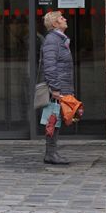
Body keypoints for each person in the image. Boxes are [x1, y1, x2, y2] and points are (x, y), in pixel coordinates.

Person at [39, 9, 74, 166]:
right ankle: (50, 153)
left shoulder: (60, 40)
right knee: (53, 119)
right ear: (54, 23)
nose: (65, 19)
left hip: (62, 85)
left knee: (56, 118)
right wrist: (55, 88)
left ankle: (51, 152)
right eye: (61, 18)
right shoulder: (52, 40)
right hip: (57, 87)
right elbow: (50, 66)